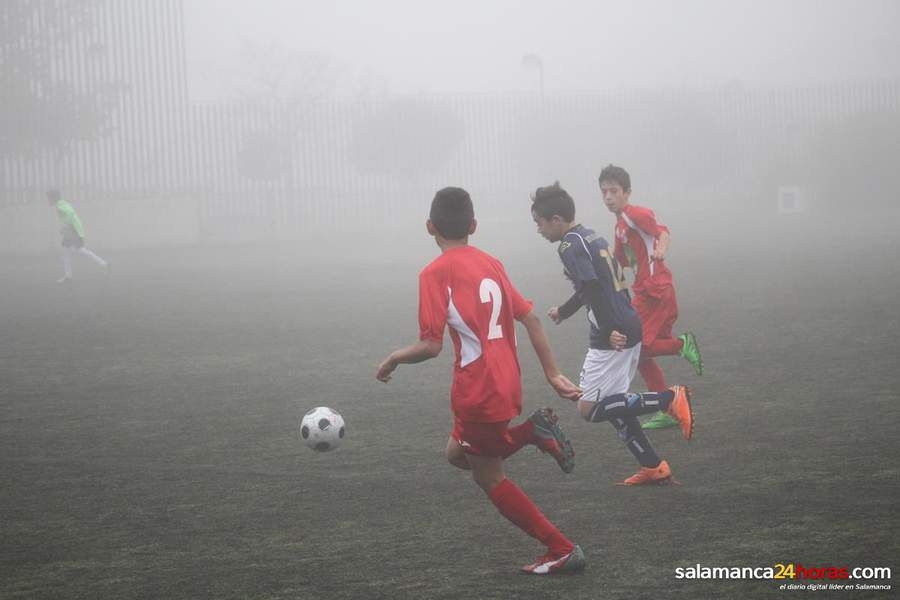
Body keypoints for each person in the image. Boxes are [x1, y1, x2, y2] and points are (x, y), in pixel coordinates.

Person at [376, 186, 585, 575]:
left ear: (429, 227)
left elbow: (430, 345)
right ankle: (531, 432)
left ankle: (562, 548)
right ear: (473, 225)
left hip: (478, 389)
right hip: (507, 379)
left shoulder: (434, 273)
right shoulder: (491, 262)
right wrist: (553, 373)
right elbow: (533, 320)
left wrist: (394, 358)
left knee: (488, 477)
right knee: (457, 454)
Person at [530, 181, 693, 486]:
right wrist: (564, 311)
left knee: (589, 409)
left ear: (556, 220)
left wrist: (607, 332)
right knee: (615, 402)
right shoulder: (590, 235)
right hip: (626, 319)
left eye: (539, 223)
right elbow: (593, 284)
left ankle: (669, 399)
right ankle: (653, 465)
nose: (538, 230)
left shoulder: (568, 245)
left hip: (613, 328)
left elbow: (591, 286)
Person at [598, 165, 703, 430]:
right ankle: (668, 408)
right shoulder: (621, 224)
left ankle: (682, 345)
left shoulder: (636, 214)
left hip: (655, 290)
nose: (608, 196)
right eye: (604, 192)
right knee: (640, 353)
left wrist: (661, 251)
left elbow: (662, 233)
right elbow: (618, 260)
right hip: (645, 290)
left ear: (627, 192)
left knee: (637, 347)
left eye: (614, 191)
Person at [47, 189, 109, 283]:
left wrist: (66, 226)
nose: (48, 200)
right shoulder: (62, 204)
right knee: (67, 252)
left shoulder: (60, 206)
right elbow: (70, 215)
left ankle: (103, 264)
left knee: (79, 250)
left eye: (49, 198)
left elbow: (70, 214)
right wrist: (65, 227)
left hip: (73, 231)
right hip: (73, 230)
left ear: (53, 198)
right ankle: (68, 276)